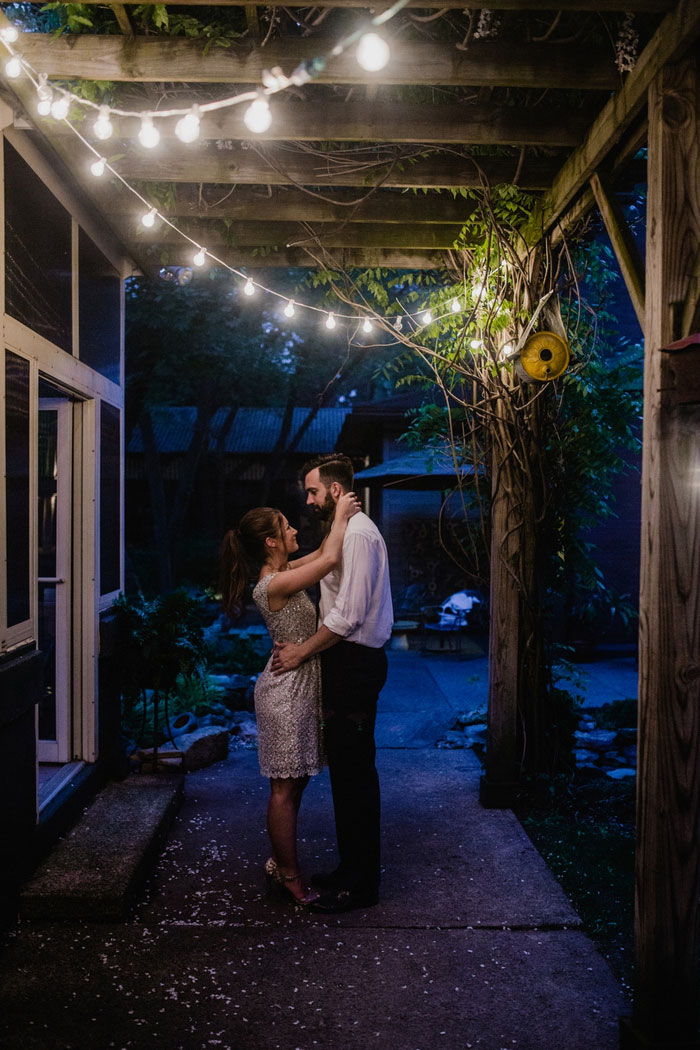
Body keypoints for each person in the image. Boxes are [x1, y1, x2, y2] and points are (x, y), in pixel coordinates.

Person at [220, 492, 360, 905]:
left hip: (299, 689)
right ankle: (288, 875)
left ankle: (279, 864)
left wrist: (341, 522)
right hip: (284, 694)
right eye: (286, 526)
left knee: (295, 784)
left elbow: (321, 552)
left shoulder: (284, 569)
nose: (294, 529)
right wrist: (344, 514)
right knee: (283, 790)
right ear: (271, 541)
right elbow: (330, 560)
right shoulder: (274, 582)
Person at [271, 454, 393, 913]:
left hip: (356, 664)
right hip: (344, 661)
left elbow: (348, 614)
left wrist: (302, 651)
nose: (308, 499)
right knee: (345, 775)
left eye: (313, 491)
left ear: (335, 491)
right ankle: (349, 869)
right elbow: (323, 564)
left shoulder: (359, 536)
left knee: (357, 777)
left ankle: (361, 887)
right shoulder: (343, 530)